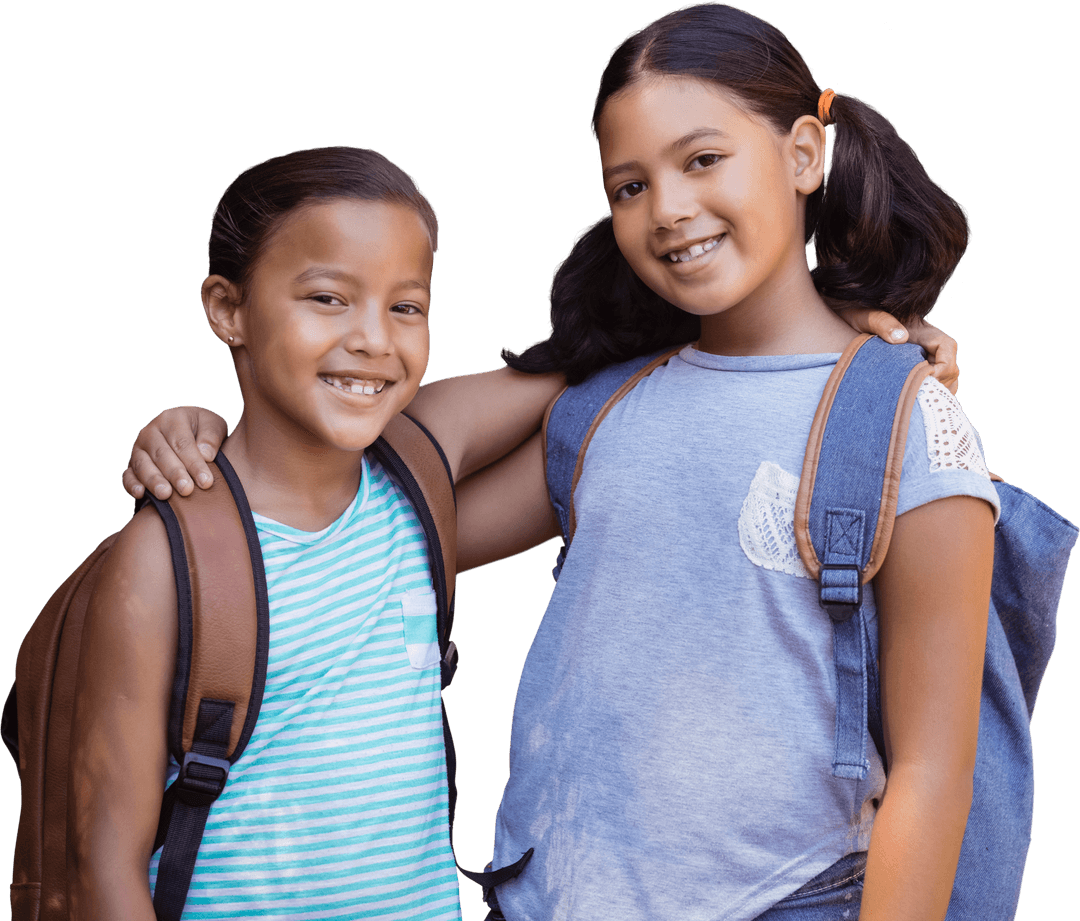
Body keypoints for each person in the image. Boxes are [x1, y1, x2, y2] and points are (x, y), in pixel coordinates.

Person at [121, 5, 990, 918]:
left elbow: (932, 774)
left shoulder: (905, 425)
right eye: (629, 186)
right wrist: (217, 434)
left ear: (804, 154)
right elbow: (373, 507)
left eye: (703, 159)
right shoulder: (609, 405)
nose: (671, 209)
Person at [68, 145, 569, 920]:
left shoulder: (418, 497)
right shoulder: (167, 559)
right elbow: (106, 865)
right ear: (227, 308)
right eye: (329, 298)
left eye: (406, 306)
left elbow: (586, 391)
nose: (374, 337)